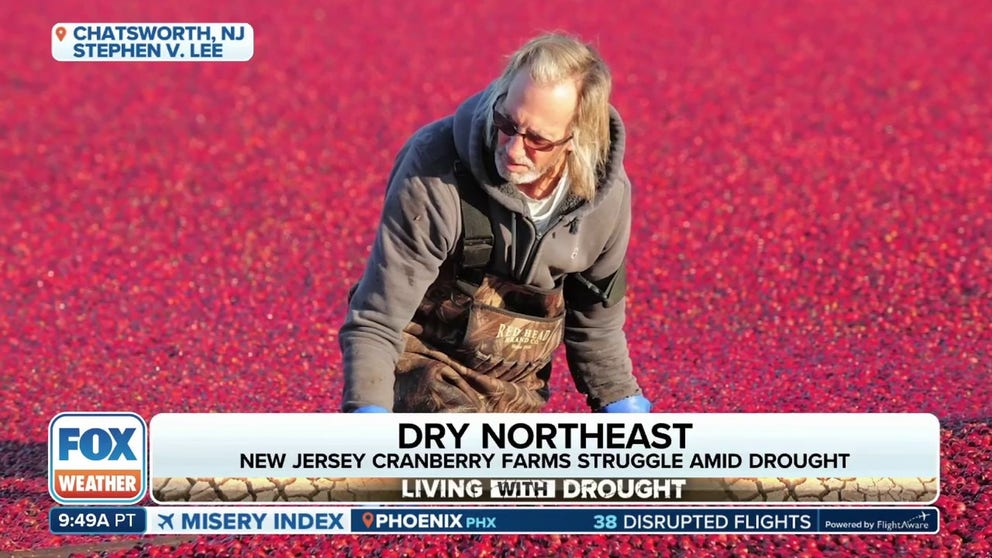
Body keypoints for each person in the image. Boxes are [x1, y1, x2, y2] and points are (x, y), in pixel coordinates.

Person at [340, 33, 651, 414]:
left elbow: (596, 325)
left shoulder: (607, 200)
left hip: (516, 389)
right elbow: (377, 318)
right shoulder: (434, 169)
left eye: (537, 139)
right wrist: (367, 414)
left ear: (577, 139)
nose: (514, 148)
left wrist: (624, 406)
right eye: (506, 122)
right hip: (424, 368)